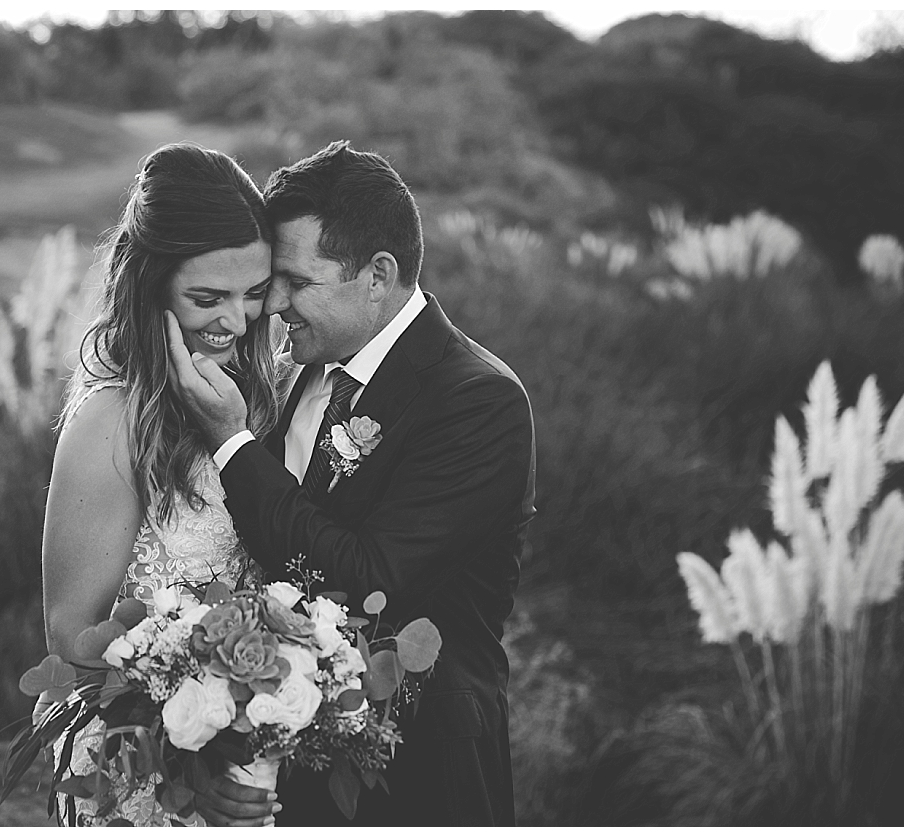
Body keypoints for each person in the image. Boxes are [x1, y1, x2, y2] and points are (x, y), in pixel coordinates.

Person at [167, 141, 535, 826]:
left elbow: (369, 577)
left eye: (297, 282)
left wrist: (231, 441)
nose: (272, 305)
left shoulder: (479, 402)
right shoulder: (299, 364)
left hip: (414, 777)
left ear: (378, 274)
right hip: (277, 756)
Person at [39, 142, 287, 826]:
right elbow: (71, 639)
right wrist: (190, 759)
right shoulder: (110, 422)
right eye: (207, 298)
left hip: (245, 764)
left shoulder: (261, 396)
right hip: (141, 772)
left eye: (254, 293)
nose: (236, 322)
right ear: (150, 285)